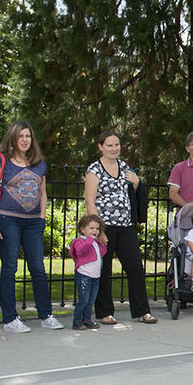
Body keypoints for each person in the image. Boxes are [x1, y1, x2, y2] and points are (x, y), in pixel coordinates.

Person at [0, 121, 65, 333]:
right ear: (12, 138)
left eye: (28, 136)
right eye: (21, 136)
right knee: (9, 267)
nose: (25, 140)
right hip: (7, 220)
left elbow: (43, 193)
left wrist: (41, 216)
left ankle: (46, 315)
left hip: (33, 224)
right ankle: (10, 319)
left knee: (37, 267)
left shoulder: (39, 164)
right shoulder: (1, 161)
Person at [84, 130, 157, 325]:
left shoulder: (124, 166)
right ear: (100, 147)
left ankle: (142, 311)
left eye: (117, 145)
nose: (114, 149)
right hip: (105, 227)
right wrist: (98, 231)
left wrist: (136, 183)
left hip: (126, 226)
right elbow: (90, 202)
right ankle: (104, 312)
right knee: (104, 269)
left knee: (135, 268)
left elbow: (129, 194)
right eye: (109, 145)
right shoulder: (94, 170)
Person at [69, 214, 107, 331]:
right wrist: (90, 240)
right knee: (84, 300)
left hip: (95, 276)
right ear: (82, 229)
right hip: (84, 276)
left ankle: (87, 319)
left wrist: (103, 243)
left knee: (91, 300)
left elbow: (101, 254)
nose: (95, 231)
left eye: (97, 228)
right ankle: (77, 321)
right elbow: (82, 251)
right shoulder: (80, 242)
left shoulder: (95, 243)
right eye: (91, 228)